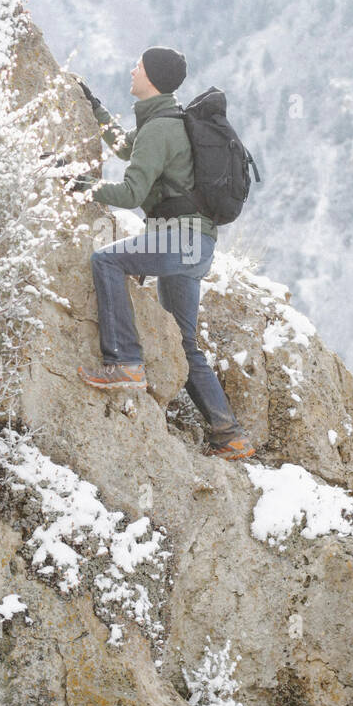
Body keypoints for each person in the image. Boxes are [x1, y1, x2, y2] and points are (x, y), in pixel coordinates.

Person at [73, 45, 255, 460]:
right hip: (198, 246)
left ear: (151, 76)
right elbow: (125, 148)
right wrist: (95, 107)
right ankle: (230, 434)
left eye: (138, 64)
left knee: (106, 259)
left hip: (178, 240)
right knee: (185, 344)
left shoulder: (160, 129)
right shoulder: (165, 122)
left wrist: (79, 182)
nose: (132, 69)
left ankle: (125, 362)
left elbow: (130, 192)